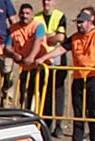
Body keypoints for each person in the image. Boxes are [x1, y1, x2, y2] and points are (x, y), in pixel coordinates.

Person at [45, 7, 95, 141]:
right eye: (78, 23)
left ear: (90, 22)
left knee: (93, 111)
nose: (79, 25)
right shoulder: (75, 37)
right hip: (78, 77)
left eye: (82, 22)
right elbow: (61, 49)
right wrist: (43, 58)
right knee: (78, 111)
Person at [34, 0, 69, 134]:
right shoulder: (37, 17)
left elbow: (60, 37)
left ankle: (59, 124)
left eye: (49, 0)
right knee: (46, 92)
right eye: (44, 0)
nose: (46, 3)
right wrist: (50, 36)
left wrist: (44, 38)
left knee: (58, 92)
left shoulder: (60, 16)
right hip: (43, 61)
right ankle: (46, 124)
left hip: (58, 60)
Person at [6, 3, 48, 111]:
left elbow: (38, 42)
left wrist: (31, 57)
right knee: (24, 93)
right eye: (22, 13)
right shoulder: (13, 28)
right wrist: (14, 54)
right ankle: (25, 112)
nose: (24, 16)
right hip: (24, 66)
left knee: (38, 94)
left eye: (27, 13)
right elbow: (7, 47)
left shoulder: (38, 26)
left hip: (39, 66)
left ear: (32, 14)